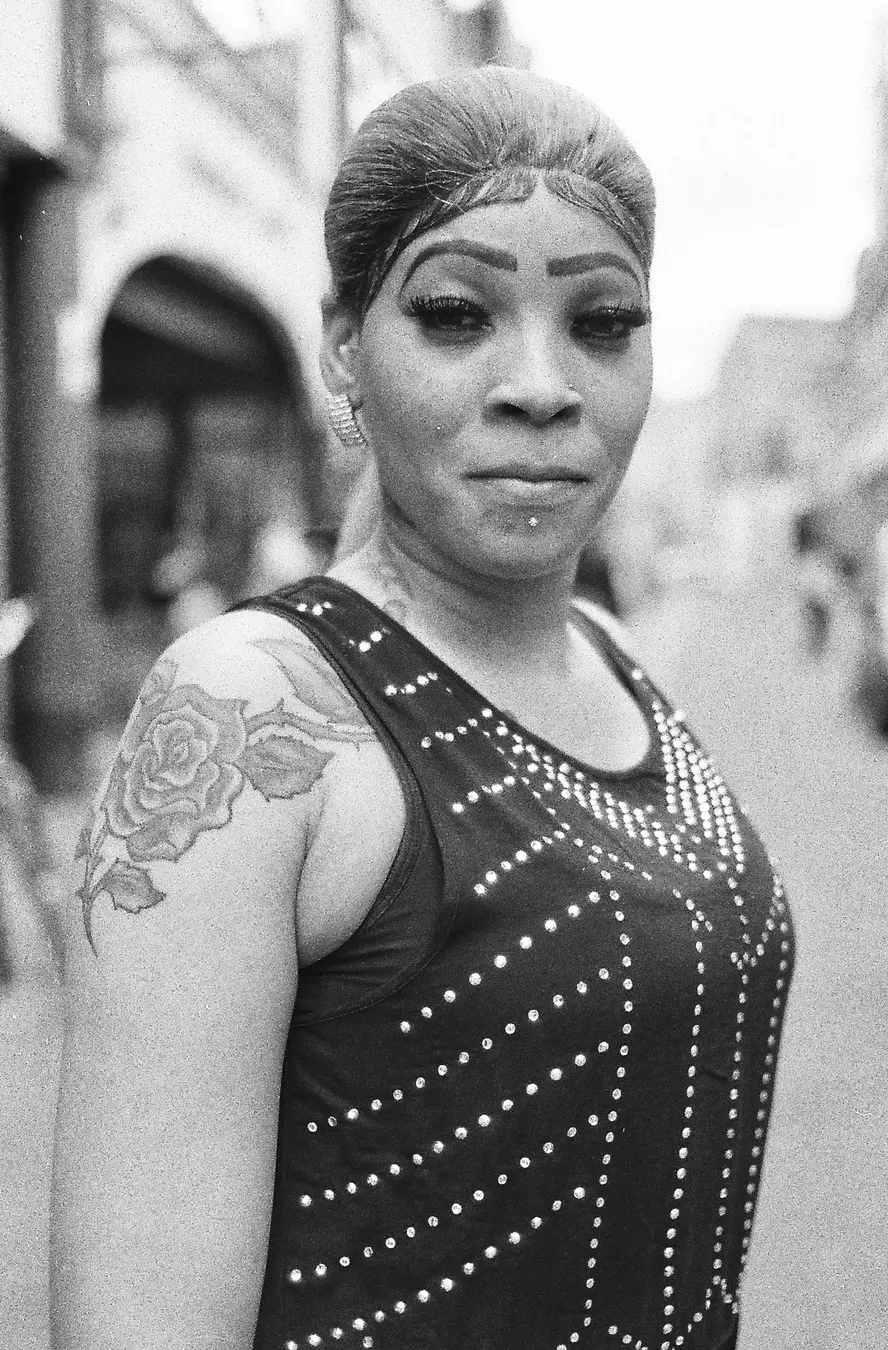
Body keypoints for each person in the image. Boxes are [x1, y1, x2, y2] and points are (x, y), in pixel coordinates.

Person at [51, 67, 794, 1350]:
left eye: (604, 322)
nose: (542, 385)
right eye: (458, 313)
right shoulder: (256, 709)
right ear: (346, 349)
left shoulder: (613, 654)